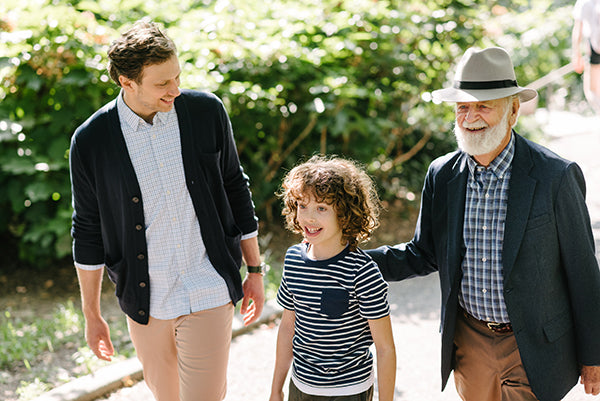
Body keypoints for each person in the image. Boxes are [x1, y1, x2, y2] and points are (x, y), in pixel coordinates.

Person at [367, 47, 600, 401]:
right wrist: (350, 259)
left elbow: (582, 270)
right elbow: (422, 253)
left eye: (484, 105)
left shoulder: (556, 175)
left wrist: (593, 356)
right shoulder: (442, 175)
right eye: (463, 107)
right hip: (469, 342)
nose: (471, 116)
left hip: (533, 346)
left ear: (514, 110)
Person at [69, 19, 265, 401]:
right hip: (147, 297)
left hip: (208, 284)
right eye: (162, 83)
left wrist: (254, 269)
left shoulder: (205, 112)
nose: (175, 89)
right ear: (127, 82)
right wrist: (91, 316)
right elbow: (87, 228)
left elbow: (235, 187)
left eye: (177, 77)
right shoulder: (91, 141)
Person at [269, 156, 396, 401]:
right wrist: (276, 389)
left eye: (322, 208)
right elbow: (287, 329)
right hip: (301, 387)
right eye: (302, 206)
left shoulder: (363, 271)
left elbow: (385, 347)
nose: (308, 218)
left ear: (345, 214)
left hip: (350, 392)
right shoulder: (294, 260)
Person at [572, 0, 600, 114]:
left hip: (595, 47)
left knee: (591, 90)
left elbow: (578, 30)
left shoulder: (583, 2)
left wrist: (576, 54)